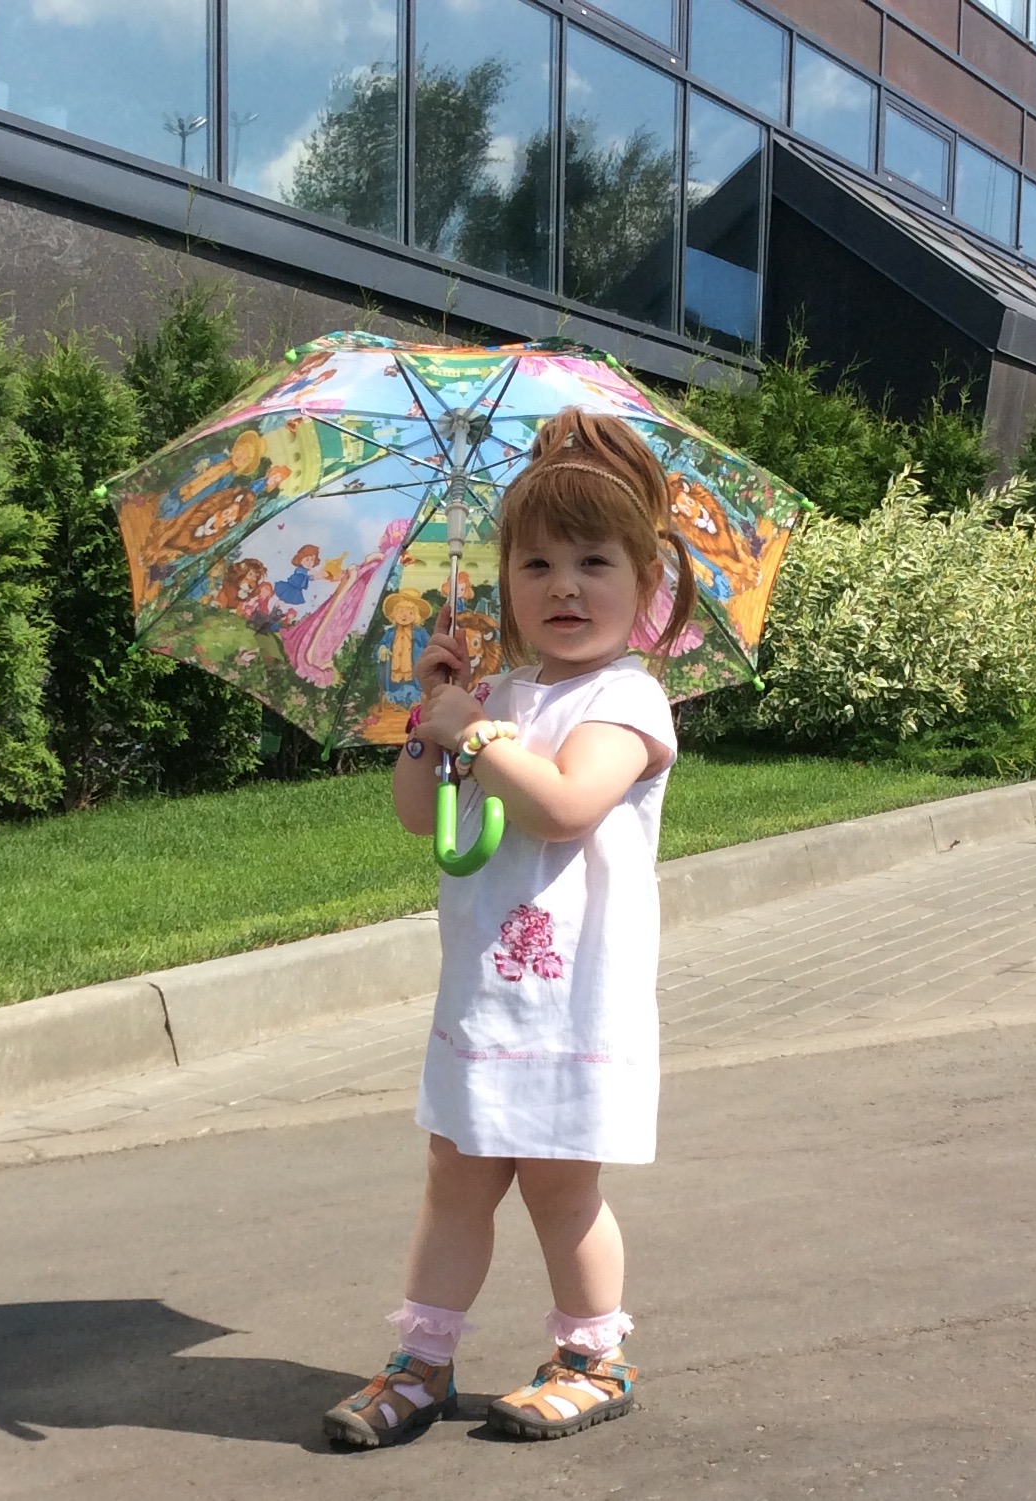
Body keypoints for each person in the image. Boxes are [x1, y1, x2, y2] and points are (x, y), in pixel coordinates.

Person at [322, 407, 697, 1449]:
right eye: (536, 565)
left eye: (592, 562)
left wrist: (478, 734)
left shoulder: (630, 702)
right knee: (454, 1178)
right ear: (505, 584)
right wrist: (433, 714)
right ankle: (423, 1360)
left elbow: (564, 803)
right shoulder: (502, 694)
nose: (563, 586)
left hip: (574, 1005)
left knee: (559, 1187)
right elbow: (420, 816)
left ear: (644, 583)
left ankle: (592, 1356)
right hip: (486, 997)